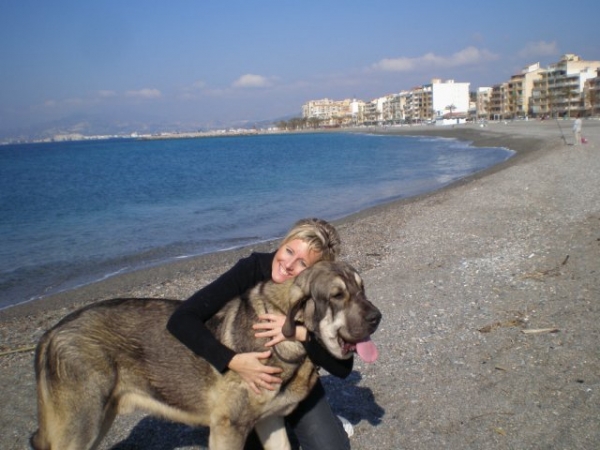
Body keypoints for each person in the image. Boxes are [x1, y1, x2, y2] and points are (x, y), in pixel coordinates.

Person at [167, 218, 352, 450]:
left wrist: (299, 333)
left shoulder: (319, 293)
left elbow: (343, 368)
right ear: (282, 243)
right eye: (289, 251)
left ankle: (329, 424)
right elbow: (181, 319)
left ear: (314, 273)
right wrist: (232, 360)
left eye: (302, 263)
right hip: (249, 385)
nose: (288, 264)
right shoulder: (251, 270)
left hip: (296, 384)